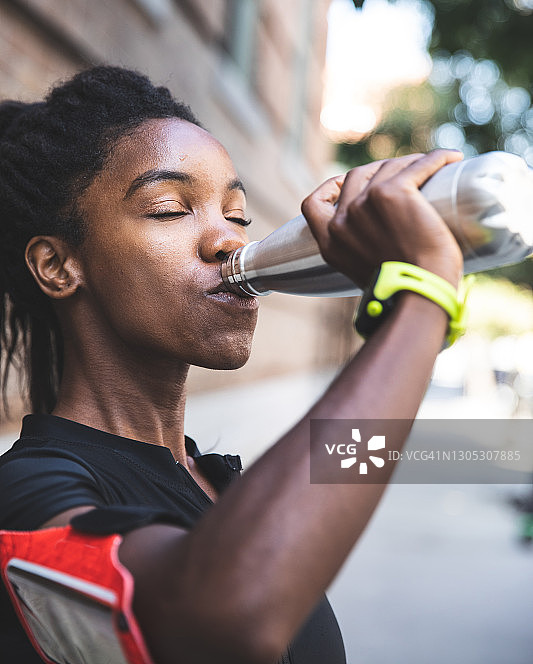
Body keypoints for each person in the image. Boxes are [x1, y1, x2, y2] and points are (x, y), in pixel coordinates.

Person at [0, 66, 463, 664]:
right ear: (58, 266)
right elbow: (231, 614)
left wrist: (404, 312)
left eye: (238, 215)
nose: (230, 242)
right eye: (170, 209)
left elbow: (352, 456)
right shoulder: (27, 492)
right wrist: (420, 303)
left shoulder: (223, 485)